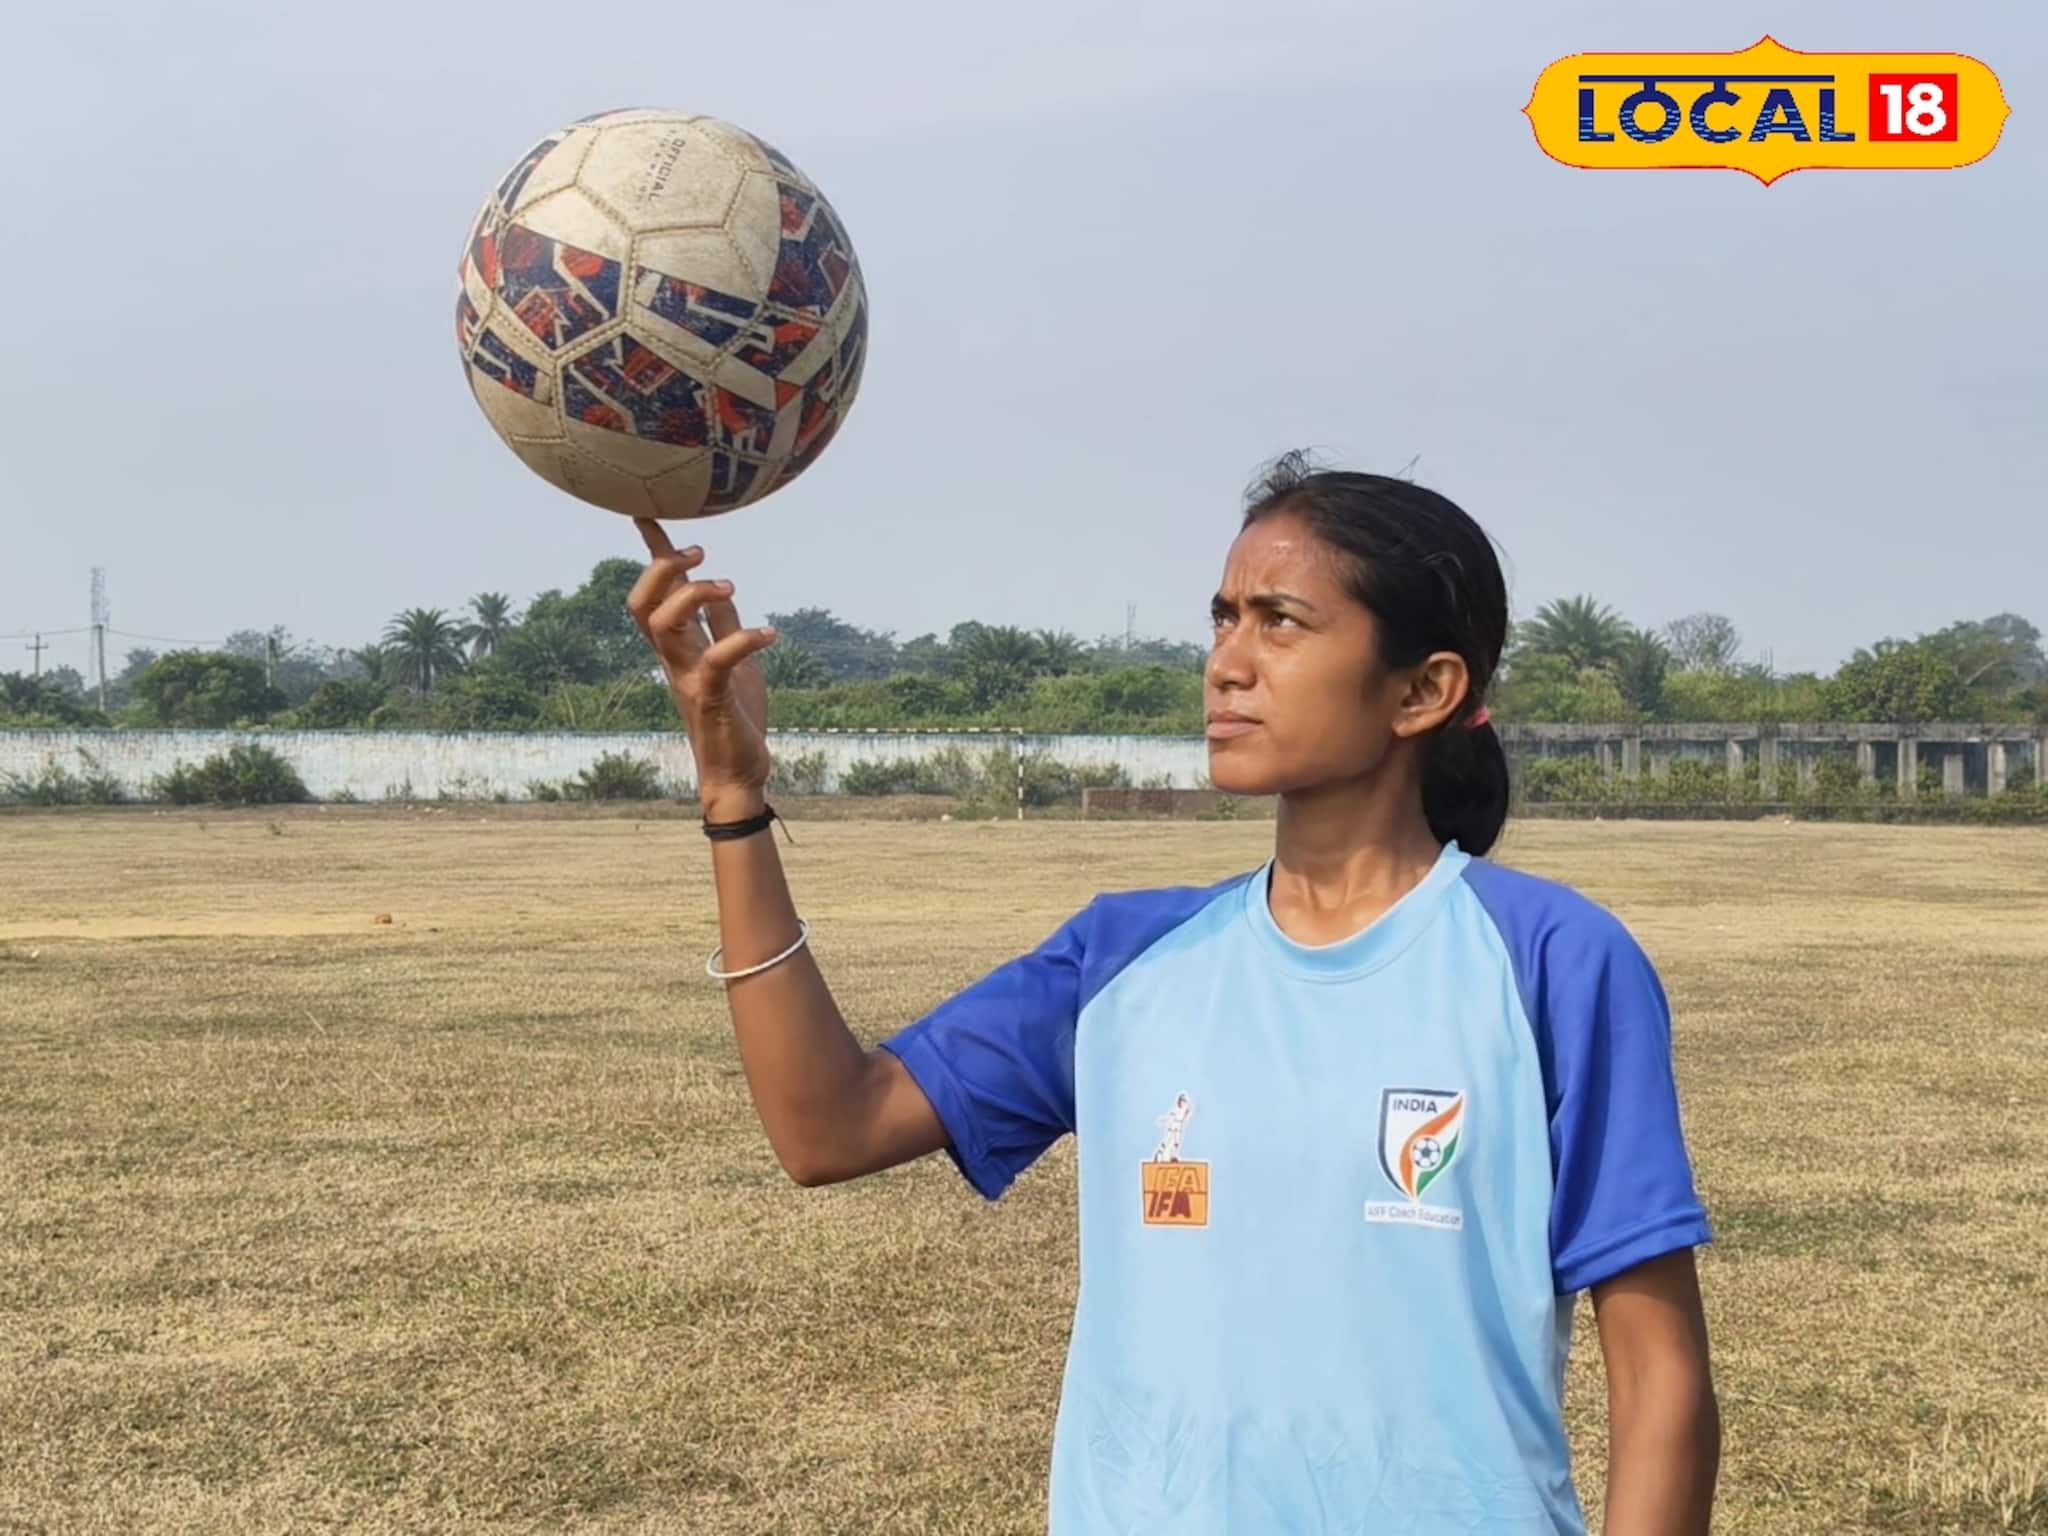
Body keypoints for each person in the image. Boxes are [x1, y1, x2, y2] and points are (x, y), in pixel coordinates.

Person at [626, 451, 1720, 1535]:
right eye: (1221, 619)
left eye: (1279, 621)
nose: (1226, 664)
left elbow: (1658, 1379)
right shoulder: (1124, 958)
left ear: (1422, 689)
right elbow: (827, 1126)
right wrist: (732, 794)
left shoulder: (1547, 961)